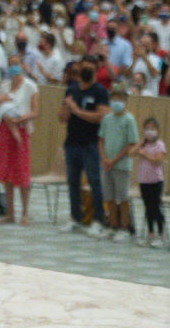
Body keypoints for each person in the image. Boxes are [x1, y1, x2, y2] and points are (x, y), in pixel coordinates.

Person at [58, 59, 108, 236]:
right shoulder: (72, 90)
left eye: (89, 67)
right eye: (83, 67)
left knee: (95, 182)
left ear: (95, 70)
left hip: (90, 145)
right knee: (72, 182)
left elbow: (100, 117)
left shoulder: (100, 92)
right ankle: (75, 217)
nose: (86, 69)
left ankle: (98, 220)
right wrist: (67, 107)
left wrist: (77, 111)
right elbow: (62, 117)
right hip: (72, 143)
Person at [0, 55, 39, 225]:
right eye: (10, 65)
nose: (13, 68)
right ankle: (10, 213)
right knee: (6, 172)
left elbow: (35, 111)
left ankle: (24, 212)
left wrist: (22, 118)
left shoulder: (30, 86)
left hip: (21, 128)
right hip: (5, 130)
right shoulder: (4, 85)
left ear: (22, 65)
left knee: (21, 170)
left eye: (16, 64)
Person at [98, 84, 139, 243]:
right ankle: (111, 226)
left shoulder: (129, 119)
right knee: (109, 197)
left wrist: (114, 160)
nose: (116, 102)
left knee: (122, 198)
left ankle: (124, 228)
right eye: (114, 99)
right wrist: (104, 158)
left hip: (121, 166)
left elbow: (131, 144)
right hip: (106, 165)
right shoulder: (107, 118)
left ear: (125, 101)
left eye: (120, 99)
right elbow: (101, 140)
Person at [130, 117, 167, 247]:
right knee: (147, 207)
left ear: (157, 130)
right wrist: (140, 144)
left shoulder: (160, 144)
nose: (149, 131)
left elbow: (157, 160)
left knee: (155, 206)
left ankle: (161, 233)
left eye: (152, 129)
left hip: (156, 181)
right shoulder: (143, 144)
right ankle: (151, 234)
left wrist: (144, 154)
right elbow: (131, 153)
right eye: (147, 129)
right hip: (143, 180)